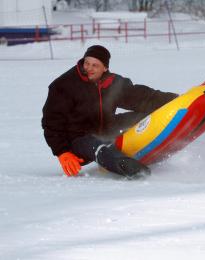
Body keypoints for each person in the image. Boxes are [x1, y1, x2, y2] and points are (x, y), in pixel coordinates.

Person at [42, 45, 178, 178]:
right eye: (87, 63)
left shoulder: (112, 83)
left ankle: (169, 127)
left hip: (107, 127)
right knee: (97, 144)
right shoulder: (64, 86)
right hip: (78, 139)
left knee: (143, 117)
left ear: (105, 68)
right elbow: (51, 122)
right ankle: (126, 166)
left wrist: (176, 101)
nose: (88, 68)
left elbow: (142, 97)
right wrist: (62, 152)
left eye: (95, 65)